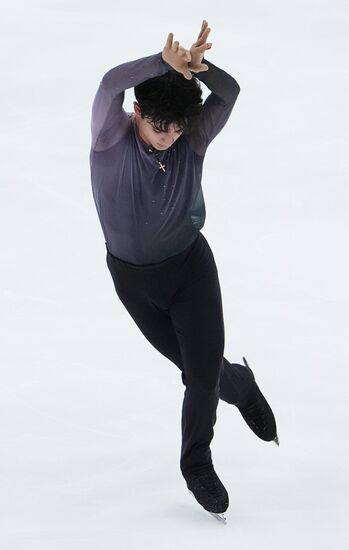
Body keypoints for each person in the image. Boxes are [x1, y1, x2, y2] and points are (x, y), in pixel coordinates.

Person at [89, 20, 278, 519]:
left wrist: (201, 68)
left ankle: (196, 463)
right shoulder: (111, 139)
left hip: (191, 272)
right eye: (159, 125)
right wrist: (162, 63)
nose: (170, 136)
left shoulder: (191, 141)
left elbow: (230, 91)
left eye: (178, 127)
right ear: (137, 113)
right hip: (133, 283)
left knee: (197, 376)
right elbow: (111, 82)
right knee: (201, 371)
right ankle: (237, 385)